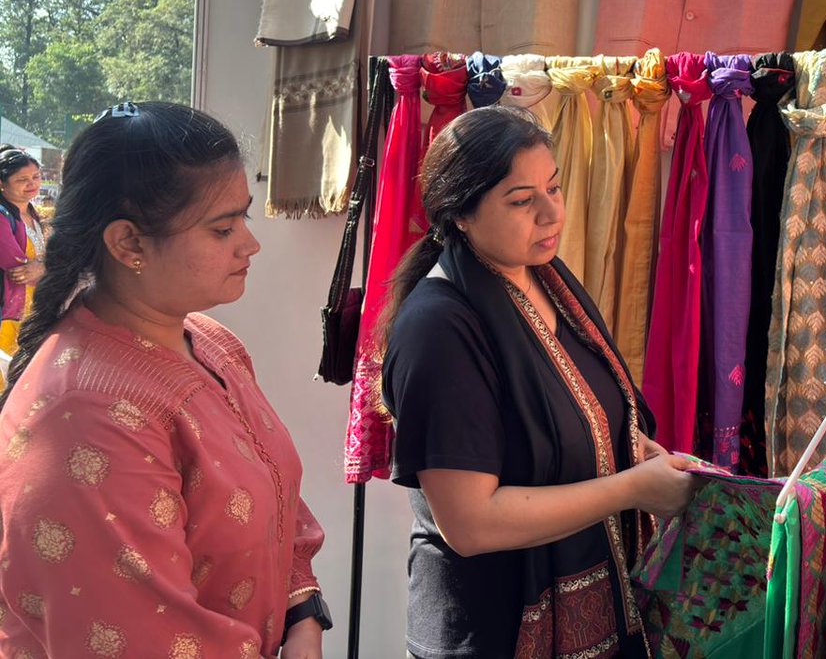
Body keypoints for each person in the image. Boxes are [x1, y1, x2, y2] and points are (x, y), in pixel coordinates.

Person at [0, 102, 329, 659]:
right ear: (128, 243)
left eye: (243, 219)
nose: (249, 244)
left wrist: (304, 617)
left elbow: (279, 501)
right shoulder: (86, 417)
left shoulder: (211, 342)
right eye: (222, 228)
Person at [382, 106, 697, 659]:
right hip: (491, 631)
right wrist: (633, 488)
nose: (551, 213)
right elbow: (470, 523)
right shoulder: (439, 328)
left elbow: (580, 417)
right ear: (461, 214)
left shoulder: (548, 284)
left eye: (554, 188)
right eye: (522, 200)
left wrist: (635, 452)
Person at [0, 145, 47, 363]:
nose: (32, 184)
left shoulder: (33, 215)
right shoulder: (3, 218)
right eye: (22, 179)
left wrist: (43, 265)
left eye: (36, 177)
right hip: (9, 315)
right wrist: (49, 265)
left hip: (33, 312)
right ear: (2, 183)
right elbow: (19, 271)